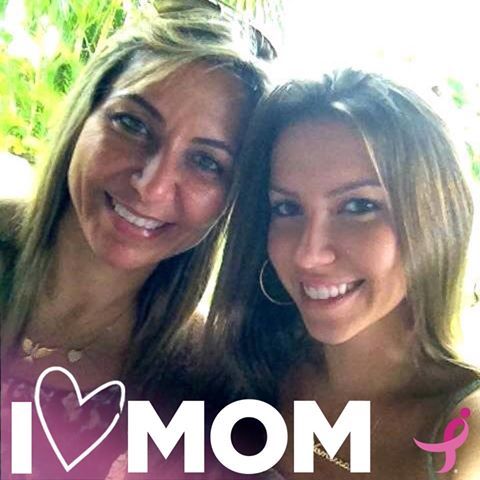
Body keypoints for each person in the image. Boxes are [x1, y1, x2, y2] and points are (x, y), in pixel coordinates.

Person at [0, 1, 272, 478]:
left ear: (232, 199)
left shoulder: (211, 394)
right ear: (86, 113)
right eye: (133, 124)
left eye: (206, 162)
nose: (152, 185)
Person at [206, 69, 480, 479]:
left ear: (437, 217)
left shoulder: (465, 435)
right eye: (287, 208)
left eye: (358, 207)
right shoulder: (236, 370)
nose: (309, 254)